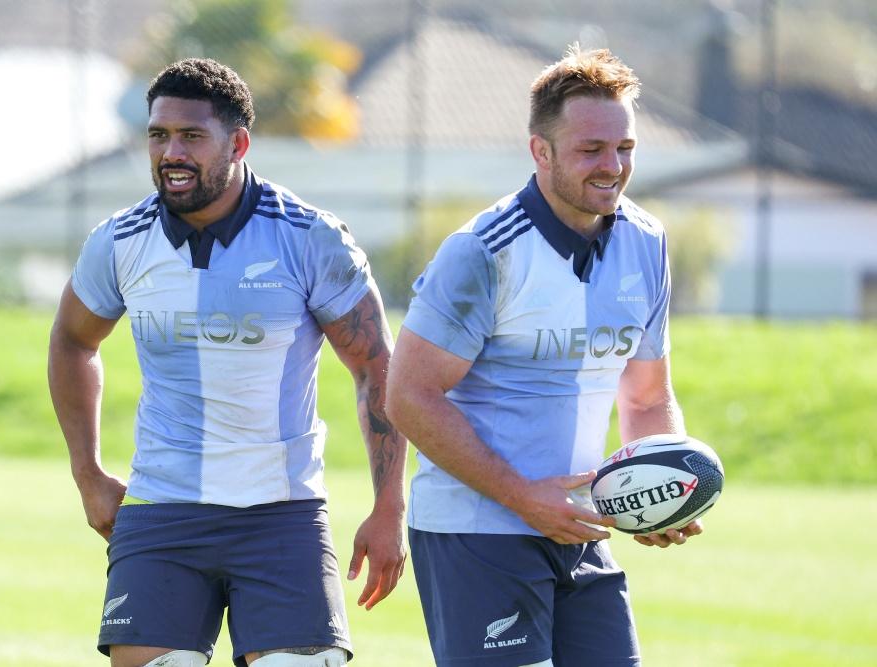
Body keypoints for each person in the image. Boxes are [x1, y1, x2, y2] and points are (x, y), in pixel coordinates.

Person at [48, 58, 407, 667]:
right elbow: (72, 340)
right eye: (159, 136)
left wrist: (388, 506)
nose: (171, 153)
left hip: (282, 516)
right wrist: (89, 474)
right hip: (161, 514)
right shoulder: (119, 241)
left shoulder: (309, 238)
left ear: (238, 143)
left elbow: (377, 367)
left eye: (192, 136)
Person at [385, 46, 702, 667]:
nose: (612, 166)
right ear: (541, 152)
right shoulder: (481, 251)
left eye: (625, 149)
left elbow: (646, 396)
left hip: (579, 528)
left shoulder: (647, 242)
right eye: (591, 150)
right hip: (475, 531)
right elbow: (408, 395)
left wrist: (663, 488)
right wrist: (520, 495)